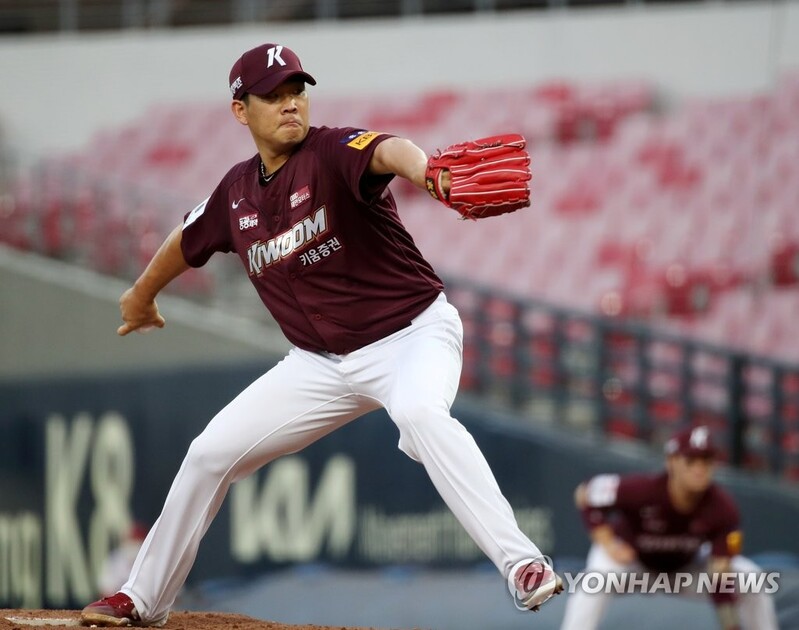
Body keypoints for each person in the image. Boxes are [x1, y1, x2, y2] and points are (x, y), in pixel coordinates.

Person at [80, 42, 561, 627]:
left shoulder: (331, 150)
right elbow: (187, 239)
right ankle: (142, 598)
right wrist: (140, 294)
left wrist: (428, 172)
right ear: (241, 111)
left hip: (412, 335)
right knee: (209, 454)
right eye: (273, 95)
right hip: (318, 364)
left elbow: (390, 150)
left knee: (418, 413)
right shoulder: (235, 194)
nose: (290, 104)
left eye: (296, 91)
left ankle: (523, 565)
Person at [560, 425, 779, 630]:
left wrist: (731, 625)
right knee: (596, 580)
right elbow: (585, 493)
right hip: (633, 561)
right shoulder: (641, 489)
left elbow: (720, 579)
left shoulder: (723, 508)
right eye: (691, 460)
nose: (700, 468)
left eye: (706, 460)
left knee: (752, 580)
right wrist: (607, 542)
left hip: (683, 567)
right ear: (672, 461)